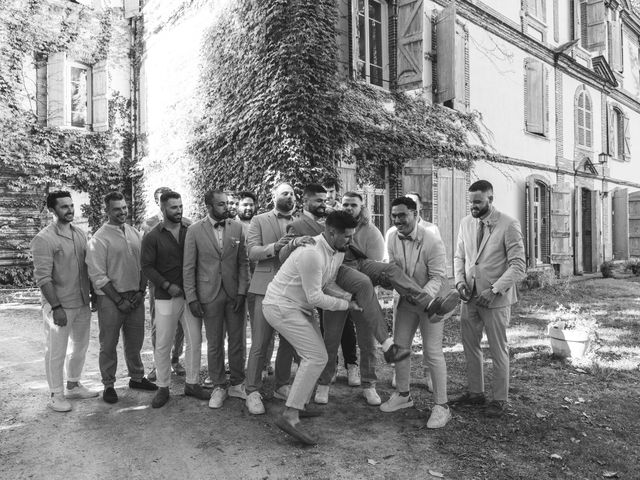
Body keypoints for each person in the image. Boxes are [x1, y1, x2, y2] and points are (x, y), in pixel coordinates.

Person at [279, 186, 425, 406]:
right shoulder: (328, 227)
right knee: (330, 339)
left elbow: (373, 266)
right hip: (334, 287)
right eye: (345, 203)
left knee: (366, 341)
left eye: (353, 205)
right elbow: (304, 256)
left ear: (361, 208)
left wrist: (367, 286)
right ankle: (325, 383)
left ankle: (369, 384)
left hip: (361, 290)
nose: (348, 207)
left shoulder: (371, 231)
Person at [263, 211, 364, 445]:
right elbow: (316, 297)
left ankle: (300, 403)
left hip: (300, 307)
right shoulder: (311, 253)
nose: (350, 241)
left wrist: (350, 296)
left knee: (317, 356)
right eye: (347, 237)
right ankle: (290, 415)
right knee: (317, 356)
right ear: (330, 232)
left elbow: (327, 283)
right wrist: (346, 305)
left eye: (352, 236)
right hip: (280, 306)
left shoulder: (337, 251)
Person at [451, 180, 526, 418]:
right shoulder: (465, 223)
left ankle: (499, 399)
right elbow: (459, 257)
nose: (473, 206)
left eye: (478, 202)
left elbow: (518, 266)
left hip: (495, 299)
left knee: (498, 349)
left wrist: (494, 290)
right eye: (470, 201)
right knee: (470, 347)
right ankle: (475, 394)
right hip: (469, 297)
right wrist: (460, 282)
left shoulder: (509, 224)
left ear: (490, 199)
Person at [382, 196, 451, 429]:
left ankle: (442, 406)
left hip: (431, 301)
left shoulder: (432, 240)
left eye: (402, 215)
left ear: (415, 213)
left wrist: (422, 298)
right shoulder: (391, 236)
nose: (397, 220)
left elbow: (438, 276)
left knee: (433, 352)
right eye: (394, 216)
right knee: (400, 348)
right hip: (405, 301)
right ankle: (403, 395)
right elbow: (393, 267)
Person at [86, 191, 157, 404]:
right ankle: (108, 384)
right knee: (108, 343)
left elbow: (145, 263)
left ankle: (136, 377)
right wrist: (118, 300)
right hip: (110, 299)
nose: (122, 212)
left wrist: (141, 291)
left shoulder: (134, 232)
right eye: (117, 209)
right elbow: (97, 275)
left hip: (135, 296)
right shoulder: (99, 238)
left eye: (124, 208)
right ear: (106, 211)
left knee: (135, 341)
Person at [141, 191, 209, 407]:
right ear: (162, 209)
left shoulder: (192, 231)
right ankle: (163, 387)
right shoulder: (152, 236)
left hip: (191, 297)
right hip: (165, 297)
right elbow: (146, 267)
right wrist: (167, 285)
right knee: (163, 343)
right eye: (173, 207)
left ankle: (192, 383)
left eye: (180, 206)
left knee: (195, 340)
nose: (178, 210)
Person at [30, 191, 97, 412]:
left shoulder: (80, 234)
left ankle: (74, 384)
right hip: (59, 305)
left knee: (80, 346)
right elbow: (43, 278)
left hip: (81, 302)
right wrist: (56, 307)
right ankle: (56, 394)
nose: (70, 210)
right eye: (63, 207)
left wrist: (93, 296)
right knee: (56, 351)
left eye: (71, 205)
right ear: (52, 210)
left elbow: (88, 268)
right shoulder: (44, 239)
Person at [183, 190, 250, 409]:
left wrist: (242, 291)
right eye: (221, 204)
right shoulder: (194, 231)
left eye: (227, 203)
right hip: (208, 293)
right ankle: (219, 386)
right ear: (209, 206)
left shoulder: (237, 227)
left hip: (234, 293)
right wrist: (192, 297)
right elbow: (189, 267)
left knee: (238, 340)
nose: (226, 207)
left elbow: (243, 263)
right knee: (214, 342)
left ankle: (238, 383)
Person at [244, 182, 304, 415]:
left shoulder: (301, 222)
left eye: (292, 193)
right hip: (265, 287)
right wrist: (273, 247)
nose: (289, 196)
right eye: (284, 193)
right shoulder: (259, 220)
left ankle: (281, 385)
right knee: (260, 341)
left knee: (289, 340)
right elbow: (252, 252)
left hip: (293, 290)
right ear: (273, 196)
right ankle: (252, 390)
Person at [143, 187, 185, 381]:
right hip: (159, 286)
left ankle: (176, 359)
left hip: (184, 286)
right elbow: (146, 261)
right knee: (158, 326)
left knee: (181, 326)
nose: (177, 209)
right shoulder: (149, 225)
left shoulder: (188, 225)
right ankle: (158, 364)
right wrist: (163, 284)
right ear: (159, 204)